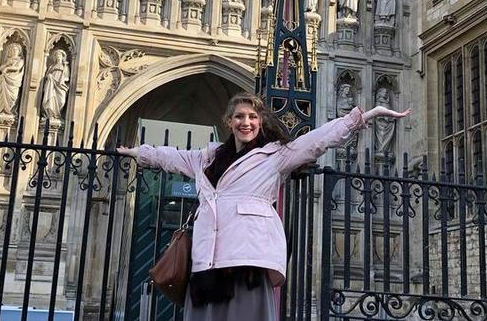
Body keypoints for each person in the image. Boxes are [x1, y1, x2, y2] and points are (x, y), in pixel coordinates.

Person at [117, 92, 411, 320]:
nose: (246, 122)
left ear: (260, 122)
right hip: (208, 260)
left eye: (253, 117)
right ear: (228, 121)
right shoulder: (206, 158)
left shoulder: (275, 156)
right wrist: (136, 152)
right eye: (240, 117)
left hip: (247, 259)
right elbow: (170, 156)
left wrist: (361, 117)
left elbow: (317, 141)